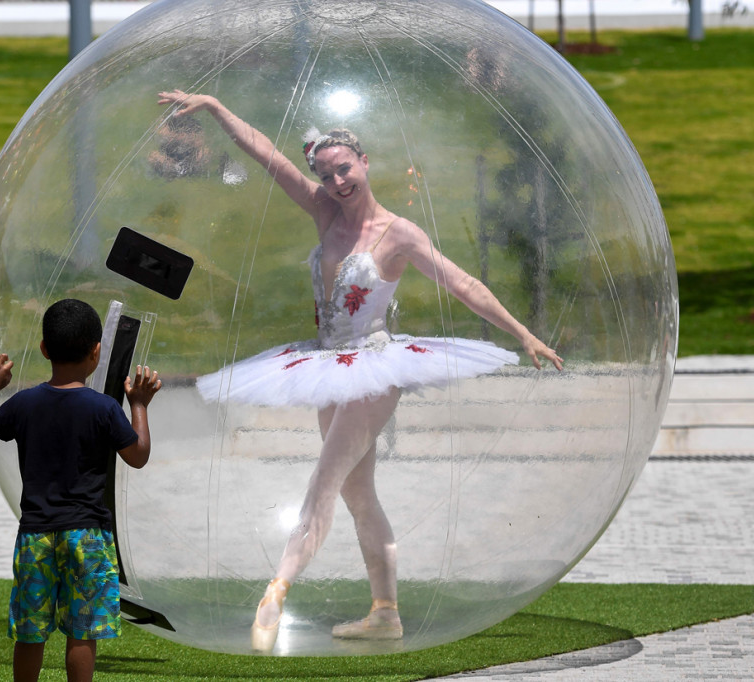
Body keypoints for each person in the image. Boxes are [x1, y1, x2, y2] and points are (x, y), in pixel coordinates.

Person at [157, 90, 563, 652]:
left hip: (373, 367)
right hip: (326, 363)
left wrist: (523, 333)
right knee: (357, 495)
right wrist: (215, 106)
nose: (337, 183)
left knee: (324, 484)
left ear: (365, 162)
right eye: (326, 175)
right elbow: (267, 156)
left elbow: (462, 284)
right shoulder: (323, 211)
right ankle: (385, 612)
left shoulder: (399, 234)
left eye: (344, 169)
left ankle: (276, 590)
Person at [0, 298, 162, 682]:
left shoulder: (24, 403)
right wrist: (138, 404)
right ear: (96, 351)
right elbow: (137, 455)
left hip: (36, 534)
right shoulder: (104, 408)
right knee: (82, 632)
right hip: (87, 537)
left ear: (44, 350)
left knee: (30, 633)